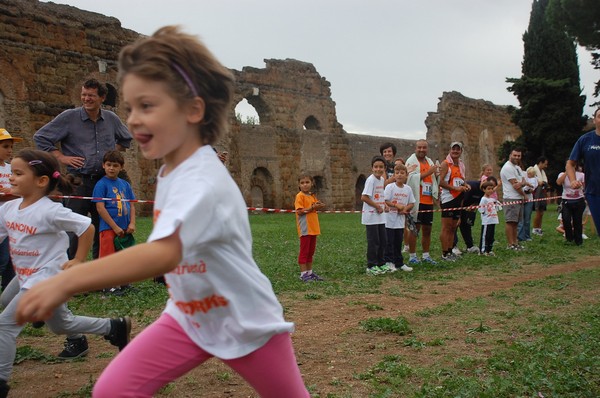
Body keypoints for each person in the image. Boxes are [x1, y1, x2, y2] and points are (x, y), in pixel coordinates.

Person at [16, 26, 309, 398]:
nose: (134, 119)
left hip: (244, 321)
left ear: (193, 109)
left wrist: (69, 280)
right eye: (130, 107)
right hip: (187, 316)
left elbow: (163, 253)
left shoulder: (203, 180)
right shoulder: (171, 171)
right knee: (112, 390)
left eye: (148, 105)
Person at [0, 149, 130, 397]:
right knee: (60, 324)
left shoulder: (50, 210)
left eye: (18, 173)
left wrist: (79, 259)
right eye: (12, 173)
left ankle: (1, 381)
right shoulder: (9, 208)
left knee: (5, 325)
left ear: (41, 181)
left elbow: (85, 227)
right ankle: (113, 327)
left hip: (48, 276)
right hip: (26, 275)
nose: (11, 178)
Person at [34, 78, 133, 261]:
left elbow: (126, 139)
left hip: (103, 183)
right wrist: (62, 157)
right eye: (84, 94)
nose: (86, 99)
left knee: (102, 228)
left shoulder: (111, 119)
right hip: (77, 181)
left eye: (91, 95)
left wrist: (111, 155)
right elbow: (41, 137)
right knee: (73, 228)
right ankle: (69, 273)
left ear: (102, 97)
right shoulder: (69, 117)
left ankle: (98, 274)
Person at [92, 150, 136, 295]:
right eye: (109, 165)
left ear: (121, 167)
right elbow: (100, 207)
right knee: (108, 257)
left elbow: (132, 205)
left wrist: (132, 223)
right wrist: (115, 227)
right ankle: (108, 286)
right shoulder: (101, 184)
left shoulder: (125, 185)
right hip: (108, 228)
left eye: (115, 165)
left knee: (123, 257)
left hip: (124, 228)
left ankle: (124, 283)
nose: (111, 168)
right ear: (103, 165)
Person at [404, 139, 439, 265]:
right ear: (415, 148)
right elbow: (409, 178)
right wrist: (428, 172)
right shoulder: (411, 161)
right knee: (414, 229)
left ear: (427, 149)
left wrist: (436, 174)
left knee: (427, 229)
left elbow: (433, 179)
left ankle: (426, 255)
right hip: (416, 201)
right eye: (419, 147)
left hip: (428, 200)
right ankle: (412, 256)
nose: (421, 150)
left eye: (424, 147)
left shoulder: (429, 161)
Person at [566, 108, 600, 237]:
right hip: (594, 192)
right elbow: (570, 163)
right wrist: (573, 180)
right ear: (594, 119)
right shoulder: (585, 140)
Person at [438, 142, 469, 261]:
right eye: (453, 149)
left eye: (458, 149)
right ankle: (444, 253)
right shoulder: (445, 164)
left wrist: (465, 185)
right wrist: (455, 188)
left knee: (453, 227)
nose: (455, 151)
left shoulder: (461, 165)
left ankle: (450, 251)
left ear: (461, 151)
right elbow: (440, 181)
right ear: (450, 150)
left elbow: (460, 180)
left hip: (458, 198)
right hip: (448, 199)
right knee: (446, 227)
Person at [383, 163, 415, 272]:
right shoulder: (390, 187)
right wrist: (396, 205)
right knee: (389, 242)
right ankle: (389, 262)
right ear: (394, 175)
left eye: (402, 173)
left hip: (400, 222)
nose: (399, 175)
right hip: (389, 220)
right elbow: (386, 200)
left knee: (398, 241)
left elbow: (411, 203)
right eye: (397, 173)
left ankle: (399, 262)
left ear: (406, 175)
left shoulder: (408, 189)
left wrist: (405, 209)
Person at [362, 155, 390, 275]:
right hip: (371, 216)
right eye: (376, 167)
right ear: (372, 168)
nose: (378, 169)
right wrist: (377, 206)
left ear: (384, 168)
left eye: (381, 167)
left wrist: (384, 205)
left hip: (380, 217)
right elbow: (364, 197)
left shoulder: (382, 180)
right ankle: (371, 265)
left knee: (383, 240)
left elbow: (380, 195)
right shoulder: (371, 180)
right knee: (374, 242)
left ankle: (381, 263)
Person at [0, 129, 21, 291]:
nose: (9, 150)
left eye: (11, 147)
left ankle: (7, 295)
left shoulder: (10, 168)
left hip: (12, 220)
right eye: (5, 146)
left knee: (11, 261)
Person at [294, 174, 325, 282]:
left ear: (312, 183)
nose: (305, 185)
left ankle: (310, 273)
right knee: (304, 251)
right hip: (305, 228)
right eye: (302, 183)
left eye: (307, 182)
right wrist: (312, 207)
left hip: (313, 228)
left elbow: (313, 207)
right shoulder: (299, 196)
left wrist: (318, 205)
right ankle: (303, 274)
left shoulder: (312, 196)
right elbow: (300, 211)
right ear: (299, 185)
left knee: (311, 252)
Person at [500, 148, 527, 250]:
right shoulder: (507, 168)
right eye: (514, 155)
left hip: (518, 198)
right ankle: (510, 244)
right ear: (510, 155)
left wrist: (521, 183)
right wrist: (524, 194)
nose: (517, 157)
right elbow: (516, 186)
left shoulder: (517, 168)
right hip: (511, 198)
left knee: (516, 222)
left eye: (518, 156)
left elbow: (523, 180)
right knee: (510, 221)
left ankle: (515, 243)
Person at [556, 165, 585, 245]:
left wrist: (580, 186)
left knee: (577, 221)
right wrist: (567, 172)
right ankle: (569, 238)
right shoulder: (562, 174)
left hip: (579, 200)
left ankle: (578, 241)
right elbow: (558, 182)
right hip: (566, 200)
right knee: (566, 219)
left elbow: (585, 187)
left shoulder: (581, 175)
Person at [458, 179, 485, 254]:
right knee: (455, 224)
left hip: (469, 208)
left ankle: (470, 246)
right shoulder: (472, 186)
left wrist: (475, 205)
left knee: (467, 224)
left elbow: (480, 201)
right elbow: (461, 200)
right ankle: (453, 246)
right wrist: (459, 216)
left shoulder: (485, 190)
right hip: (458, 205)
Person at [478, 180, 502, 256]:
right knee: (485, 236)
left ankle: (489, 249)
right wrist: (485, 213)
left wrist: (497, 204)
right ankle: (483, 250)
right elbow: (481, 209)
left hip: (493, 220)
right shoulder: (483, 199)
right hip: (487, 221)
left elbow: (498, 208)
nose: (490, 190)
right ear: (484, 190)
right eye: (488, 189)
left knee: (491, 236)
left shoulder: (492, 200)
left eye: (492, 188)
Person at [517, 167, 538, 242]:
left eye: (531, 174)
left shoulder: (534, 179)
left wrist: (529, 187)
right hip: (520, 199)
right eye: (529, 173)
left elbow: (532, 189)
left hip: (529, 199)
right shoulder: (523, 174)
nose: (529, 175)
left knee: (527, 219)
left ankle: (527, 236)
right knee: (520, 219)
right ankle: (520, 236)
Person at [532, 156, 549, 236]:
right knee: (538, 211)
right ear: (540, 163)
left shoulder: (542, 172)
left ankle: (539, 228)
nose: (546, 166)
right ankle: (535, 228)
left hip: (542, 192)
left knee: (541, 212)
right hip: (537, 193)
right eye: (545, 164)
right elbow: (535, 181)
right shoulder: (533, 170)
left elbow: (544, 182)